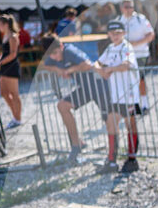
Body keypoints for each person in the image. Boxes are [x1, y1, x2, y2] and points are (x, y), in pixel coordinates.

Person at [39, 33, 110, 164]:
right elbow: (46, 65)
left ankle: (114, 152)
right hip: (85, 89)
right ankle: (76, 144)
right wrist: (58, 70)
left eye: (55, 53)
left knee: (108, 118)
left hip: (99, 86)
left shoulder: (69, 51)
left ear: (61, 46)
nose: (54, 57)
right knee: (62, 106)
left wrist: (69, 70)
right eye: (51, 55)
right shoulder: (53, 55)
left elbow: (87, 64)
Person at [95, 20, 140, 174]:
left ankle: (132, 159)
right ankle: (112, 160)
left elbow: (126, 65)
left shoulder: (127, 47)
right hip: (116, 95)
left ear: (124, 33)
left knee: (130, 124)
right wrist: (102, 71)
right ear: (108, 34)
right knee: (111, 123)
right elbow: (97, 63)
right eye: (112, 33)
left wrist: (110, 69)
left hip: (129, 94)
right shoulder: (110, 48)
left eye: (118, 33)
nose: (115, 36)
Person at [120, 0, 155, 113]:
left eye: (131, 7)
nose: (129, 9)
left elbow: (151, 35)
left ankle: (144, 104)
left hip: (141, 53)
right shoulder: (119, 21)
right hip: (126, 55)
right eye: (126, 7)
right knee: (129, 80)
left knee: (140, 79)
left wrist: (136, 43)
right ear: (121, 8)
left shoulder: (141, 19)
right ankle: (134, 104)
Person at [0, 14, 23, 129]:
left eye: (0, 25)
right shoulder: (5, 36)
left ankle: (17, 118)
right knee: (4, 93)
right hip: (5, 66)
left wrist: (0, 63)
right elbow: (4, 53)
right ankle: (15, 115)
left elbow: (13, 54)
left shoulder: (13, 36)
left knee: (14, 94)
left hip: (11, 67)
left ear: (6, 25)